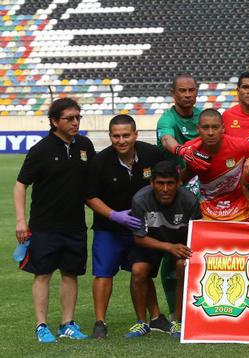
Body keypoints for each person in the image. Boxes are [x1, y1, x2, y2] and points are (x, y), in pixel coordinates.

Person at [14, 98, 95, 343]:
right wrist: (21, 220)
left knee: (71, 274)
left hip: (75, 226)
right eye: (69, 118)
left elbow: (93, 183)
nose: (75, 122)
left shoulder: (85, 145)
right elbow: (20, 185)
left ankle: (67, 324)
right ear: (54, 121)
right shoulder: (41, 150)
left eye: (78, 117)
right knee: (43, 274)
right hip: (44, 225)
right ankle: (41, 325)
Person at [85, 114, 169, 339]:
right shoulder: (99, 161)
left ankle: (156, 318)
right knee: (103, 274)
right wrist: (114, 215)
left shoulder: (152, 154)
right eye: (116, 136)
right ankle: (100, 322)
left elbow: (166, 183)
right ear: (110, 137)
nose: (121, 141)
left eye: (126, 135)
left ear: (135, 135)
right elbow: (90, 196)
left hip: (142, 228)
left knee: (142, 272)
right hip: (109, 228)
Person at [155, 73, 208, 318]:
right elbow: (166, 138)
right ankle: (176, 313)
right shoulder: (168, 119)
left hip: (208, 193)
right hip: (175, 195)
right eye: (182, 91)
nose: (188, 95)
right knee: (173, 254)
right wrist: (180, 150)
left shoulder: (204, 117)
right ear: (173, 94)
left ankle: (203, 305)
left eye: (191, 91)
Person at [128, 161, 202, 338]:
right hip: (151, 240)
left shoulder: (189, 200)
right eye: (160, 183)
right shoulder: (140, 199)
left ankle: (177, 321)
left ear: (178, 183)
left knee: (182, 267)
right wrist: (168, 246)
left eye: (170, 183)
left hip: (180, 241)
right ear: (151, 183)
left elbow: (196, 234)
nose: (165, 188)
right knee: (138, 270)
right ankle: (141, 323)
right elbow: (139, 237)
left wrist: (178, 248)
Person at [183, 109, 249, 221]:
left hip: (240, 207)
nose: (210, 133)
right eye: (205, 128)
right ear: (198, 129)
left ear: (223, 128)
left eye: (215, 127)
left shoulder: (240, 145)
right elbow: (185, 177)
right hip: (206, 208)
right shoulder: (190, 149)